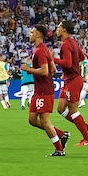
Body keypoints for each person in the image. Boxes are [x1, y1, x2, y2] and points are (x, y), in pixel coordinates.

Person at [19, 24, 66, 157]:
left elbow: (45, 71)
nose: (30, 34)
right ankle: (61, 134)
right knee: (32, 120)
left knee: (44, 121)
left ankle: (59, 149)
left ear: (38, 35)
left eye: (32, 32)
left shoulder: (39, 51)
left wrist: (27, 68)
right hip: (40, 89)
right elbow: (53, 69)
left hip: (44, 90)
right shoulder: (42, 49)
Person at [53, 21, 88, 146]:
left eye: (59, 27)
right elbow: (82, 57)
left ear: (64, 30)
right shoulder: (73, 42)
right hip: (69, 80)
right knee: (60, 109)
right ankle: (85, 126)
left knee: (74, 110)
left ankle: (87, 139)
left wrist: (52, 59)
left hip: (73, 80)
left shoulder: (66, 44)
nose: (57, 29)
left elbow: (67, 63)